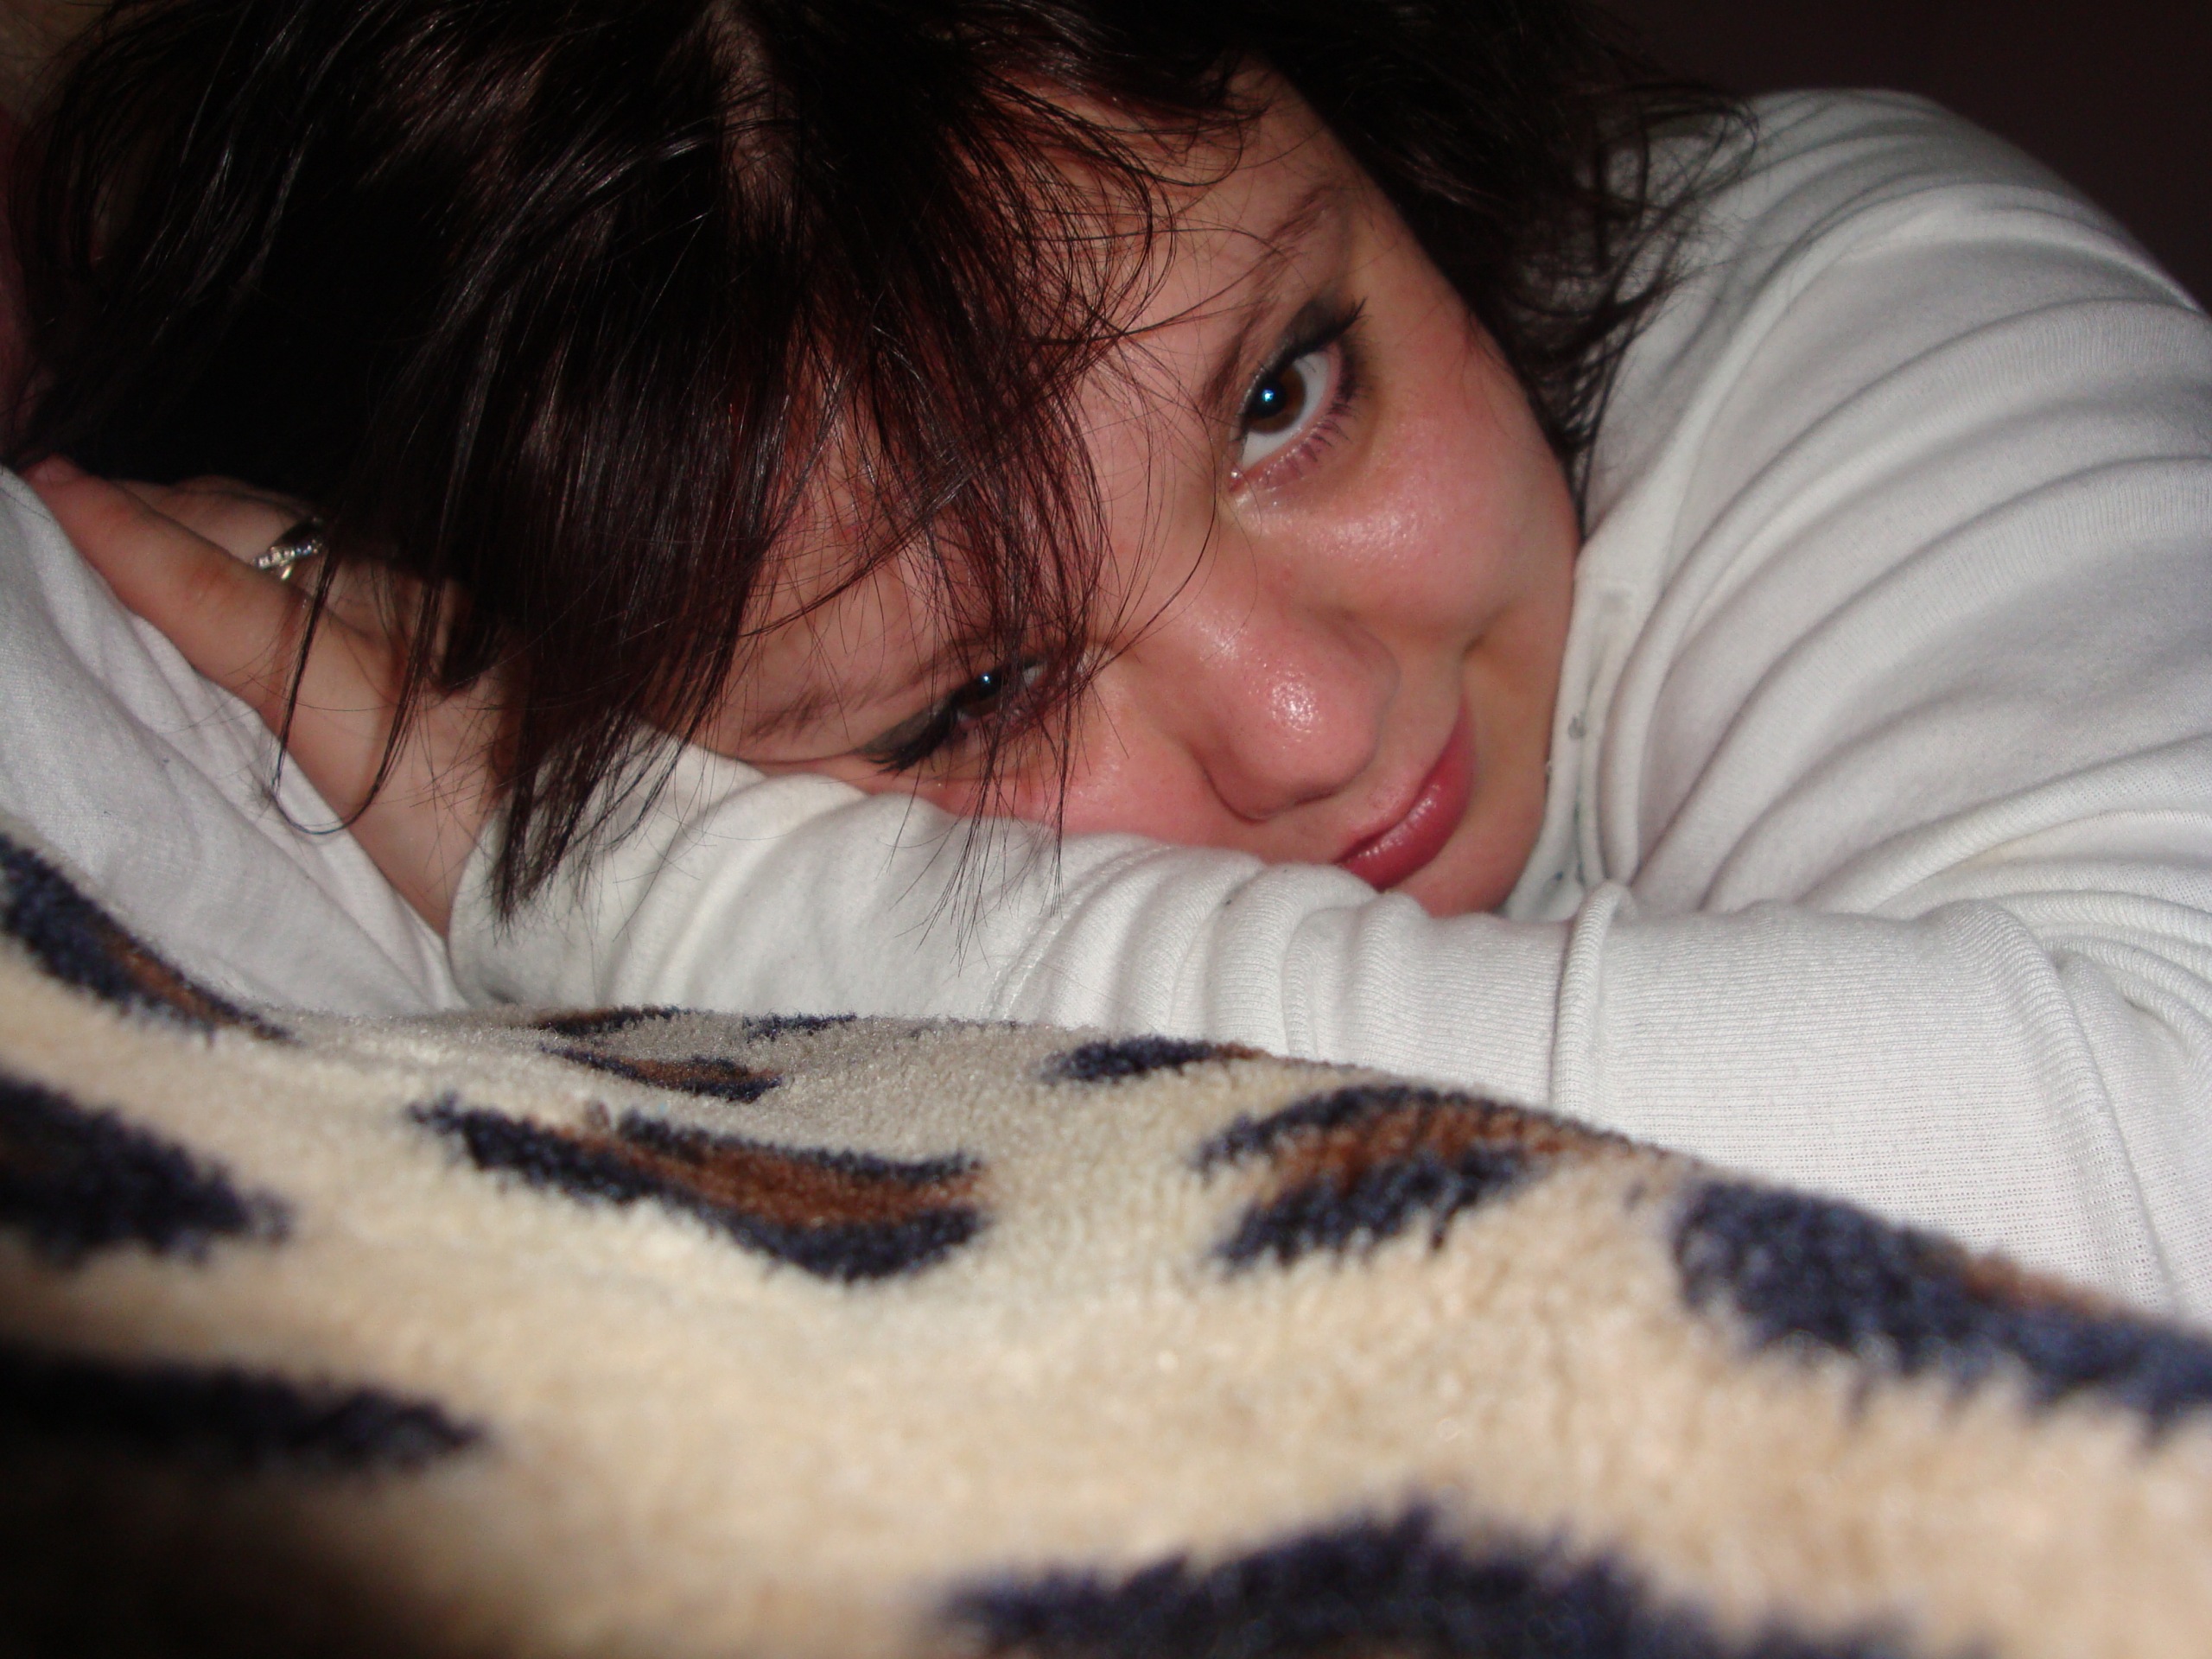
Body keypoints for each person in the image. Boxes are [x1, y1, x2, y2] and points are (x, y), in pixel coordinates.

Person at [6, 0, 2211, 1317]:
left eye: (1283, 392)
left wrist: (625, 868)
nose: (1313, 722)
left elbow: (2157, 1180)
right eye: (972, 698)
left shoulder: (1841, 292)